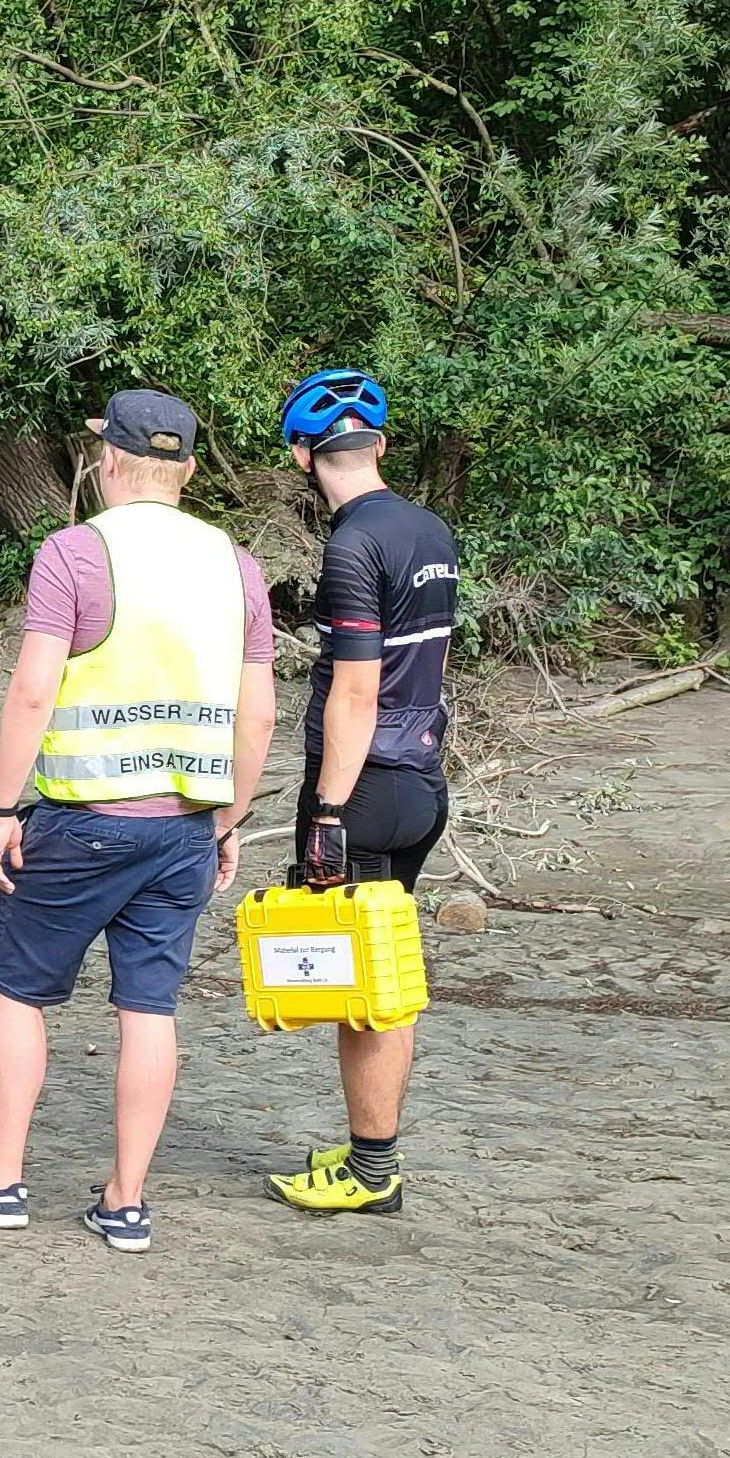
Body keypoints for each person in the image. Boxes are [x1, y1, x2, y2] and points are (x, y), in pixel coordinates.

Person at [0, 389, 278, 1254]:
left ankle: (0, 1181)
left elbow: (34, 688)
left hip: (82, 823)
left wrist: (1, 809)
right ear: (186, 468)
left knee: (20, 992)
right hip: (185, 827)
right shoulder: (238, 564)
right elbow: (255, 717)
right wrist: (229, 821)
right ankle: (126, 1203)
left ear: (105, 458)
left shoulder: (75, 551)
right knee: (149, 1007)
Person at [263, 368, 460, 1217]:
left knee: (367, 987)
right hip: (420, 777)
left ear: (305, 455)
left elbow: (354, 688)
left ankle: (372, 1168)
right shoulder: (428, 527)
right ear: (377, 444)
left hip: (366, 788)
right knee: (387, 971)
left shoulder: (353, 545)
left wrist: (328, 816)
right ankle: (367, 1147)